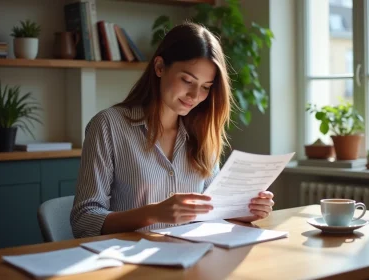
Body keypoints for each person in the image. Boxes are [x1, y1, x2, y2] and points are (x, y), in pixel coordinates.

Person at [70, 22, 275, 238]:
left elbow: (211, 207)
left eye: (206, 87)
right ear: (159, 67)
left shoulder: (202, 130)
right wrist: (154, 213)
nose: (195, 95)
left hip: (192, 257)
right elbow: (84, 220)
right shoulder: (108, 126)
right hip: (130, 263)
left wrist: (245, 210)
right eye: (187, 80)